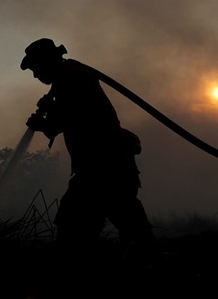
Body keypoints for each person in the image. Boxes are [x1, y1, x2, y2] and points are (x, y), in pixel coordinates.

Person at [21, 38, 154, 265]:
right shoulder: (66, 79)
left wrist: (45, 123)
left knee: (74, 229)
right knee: (126, 222)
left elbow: (76, 116)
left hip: (104, 166)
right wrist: (49, 113)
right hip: (103, 166)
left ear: (47, 62)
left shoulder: (75, 77)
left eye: (35, 68)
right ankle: (146, 266)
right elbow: (72, 115)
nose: (34, 75)